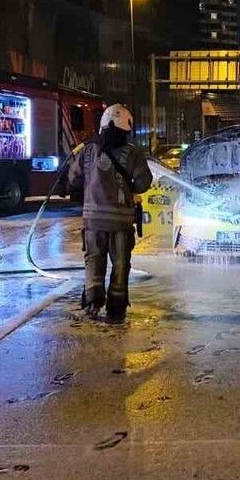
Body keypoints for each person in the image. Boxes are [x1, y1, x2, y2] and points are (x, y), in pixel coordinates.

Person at [67, 104, 152, 322]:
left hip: (93, 222)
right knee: (121, 265)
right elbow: (144, 182)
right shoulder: (133, 153)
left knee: (94, 261)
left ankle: (93, 303)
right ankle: (116, 309)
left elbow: (73, 179)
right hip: (121, 223)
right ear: (127, 129)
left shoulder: (87, 151)